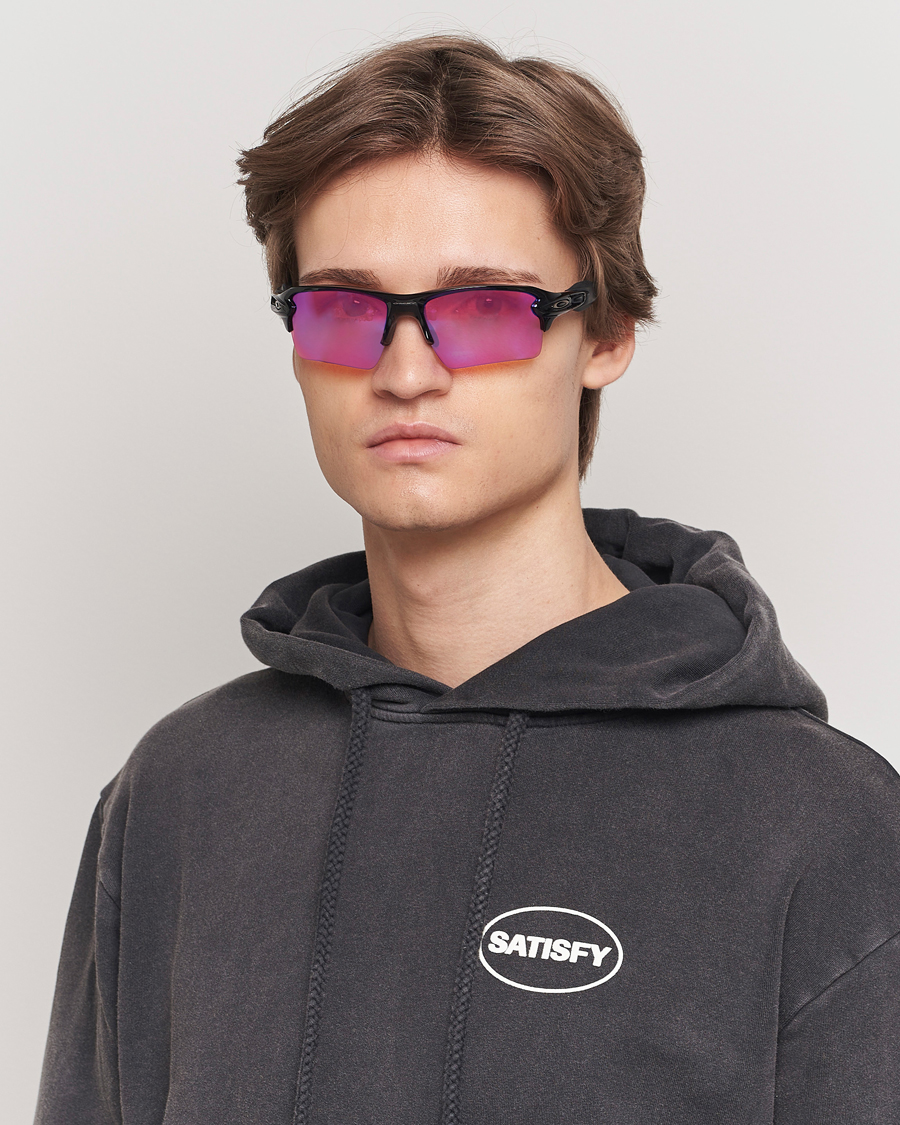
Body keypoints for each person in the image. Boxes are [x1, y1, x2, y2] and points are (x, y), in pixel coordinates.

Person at [35, 33, 900, 1125]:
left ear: (607, 333)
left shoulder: (818, 825)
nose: (405, 371)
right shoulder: (181, 791)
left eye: (484, 308)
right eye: (345, 308)